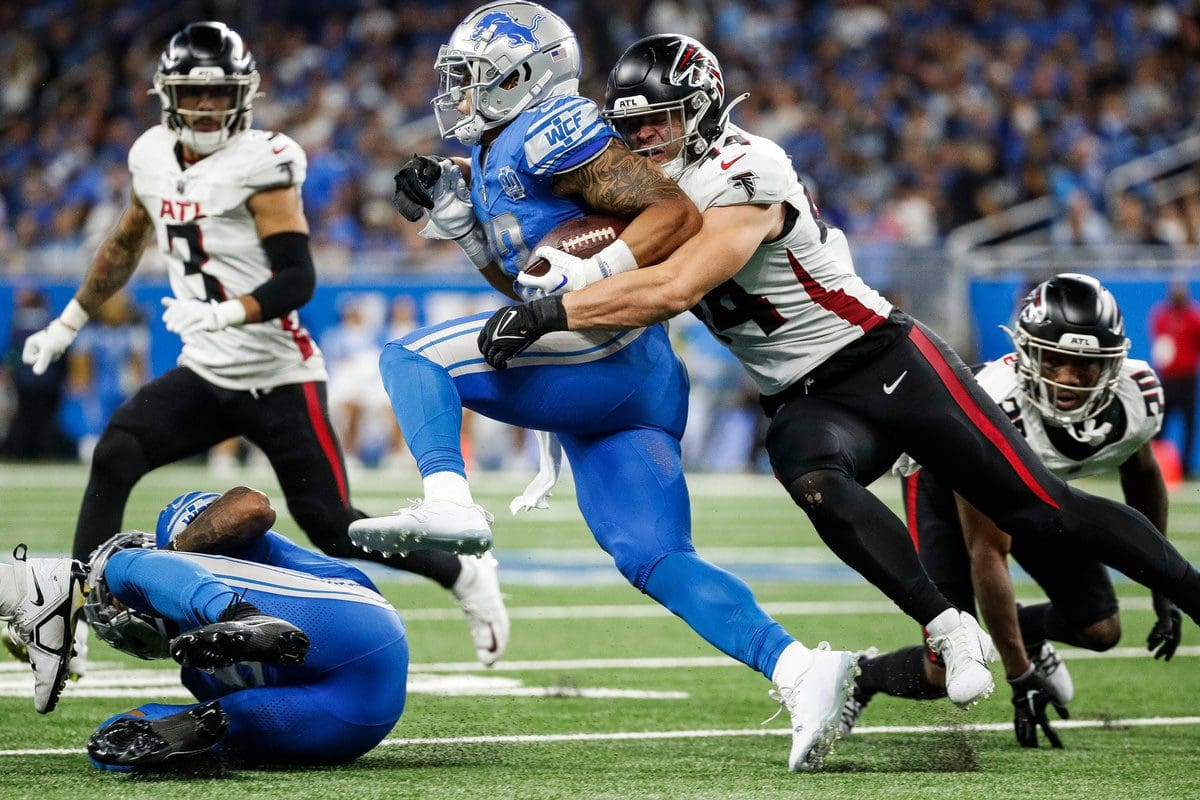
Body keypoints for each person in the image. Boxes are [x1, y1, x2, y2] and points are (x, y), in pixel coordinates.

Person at [479, 32, 1200, 703]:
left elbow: (675, 287)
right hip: (801, 395)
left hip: (879, 356)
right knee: (809, 474)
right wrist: (473, 227)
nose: (642, 140)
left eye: (657, 122)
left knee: (1039, 508)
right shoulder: (638, 193)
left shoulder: (746, 166)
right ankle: (947, 625)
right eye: (630, 127)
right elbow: (542, 270)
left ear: (701, 110)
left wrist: (552, 313)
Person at [355, 2, 862, 772]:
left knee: (410, 358)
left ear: (527, 77)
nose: (459, 91)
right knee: (654, 556)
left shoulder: (550, 125)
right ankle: (802, 669)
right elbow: (527, 289)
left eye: (476, 76)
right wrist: (465, 229)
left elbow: (670, 214)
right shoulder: (498, 149)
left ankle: (450, 501)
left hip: (605, 351)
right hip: (630, 377)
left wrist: (594, 271)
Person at [17, 21, 506, 670]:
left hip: (279, 376)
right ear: (167, 95)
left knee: (334, 527)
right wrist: (69, 320)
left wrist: (224, 311)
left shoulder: (262, 162)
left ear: (242, 95)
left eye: (220, 92)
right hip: (206, 372)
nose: (207, 106)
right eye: (195, 92)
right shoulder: (151, 156)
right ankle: (70, 618)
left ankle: (463, 574)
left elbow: (297, 278)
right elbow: (125, 242)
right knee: (116, 453)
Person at [845, 275, 1180, 749]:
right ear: (1026, 353)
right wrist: (1019, 675)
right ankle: (860, 677)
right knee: (945, 669)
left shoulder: (1135, 398)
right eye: (1054, 360)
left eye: (1085, 365)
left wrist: (1164, 587)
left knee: (1100, 628)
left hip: (1035, 494)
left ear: (1112, 363)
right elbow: (987, 551)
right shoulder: (996, 404)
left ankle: (1027, 630)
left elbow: (1142, 476)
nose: (1067, 378)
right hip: (943, 481)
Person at [1, 486, 408, 770]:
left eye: (112, 598)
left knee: (119, 565)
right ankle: (199, 744)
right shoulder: (196, 669)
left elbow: (253, 508)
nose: (117, 604)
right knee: (113, 739)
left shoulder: (175, 533)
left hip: (349, 619)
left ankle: (242, 613)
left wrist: (167, 556)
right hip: (356, 714)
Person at [1149, 282, 1200, 476]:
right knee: (1160, 423)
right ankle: (1155, 465)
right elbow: (1160, 340)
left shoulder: (1194, 316)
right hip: (1167, 378)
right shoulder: (1162, 315)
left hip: (1187, 378)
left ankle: (1185, 467)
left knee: (1188, 424)